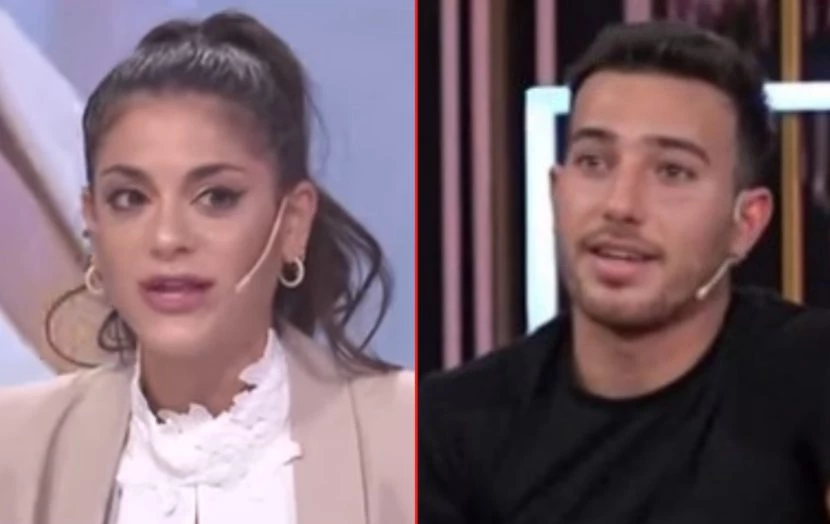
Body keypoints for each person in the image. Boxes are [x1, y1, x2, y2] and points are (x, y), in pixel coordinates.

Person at [0, 10, 413, 524]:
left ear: (292, 221)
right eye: (130, 198)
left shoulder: (405, 434)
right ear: (94, 222)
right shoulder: (16, 447)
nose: (167, 238)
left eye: (217, 197)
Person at [420, 21, 830, 523]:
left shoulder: (810, 374)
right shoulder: (451, 426)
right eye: (594, 162)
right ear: (555, 192)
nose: (620, 205)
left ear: (746, 222)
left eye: (672, 171)